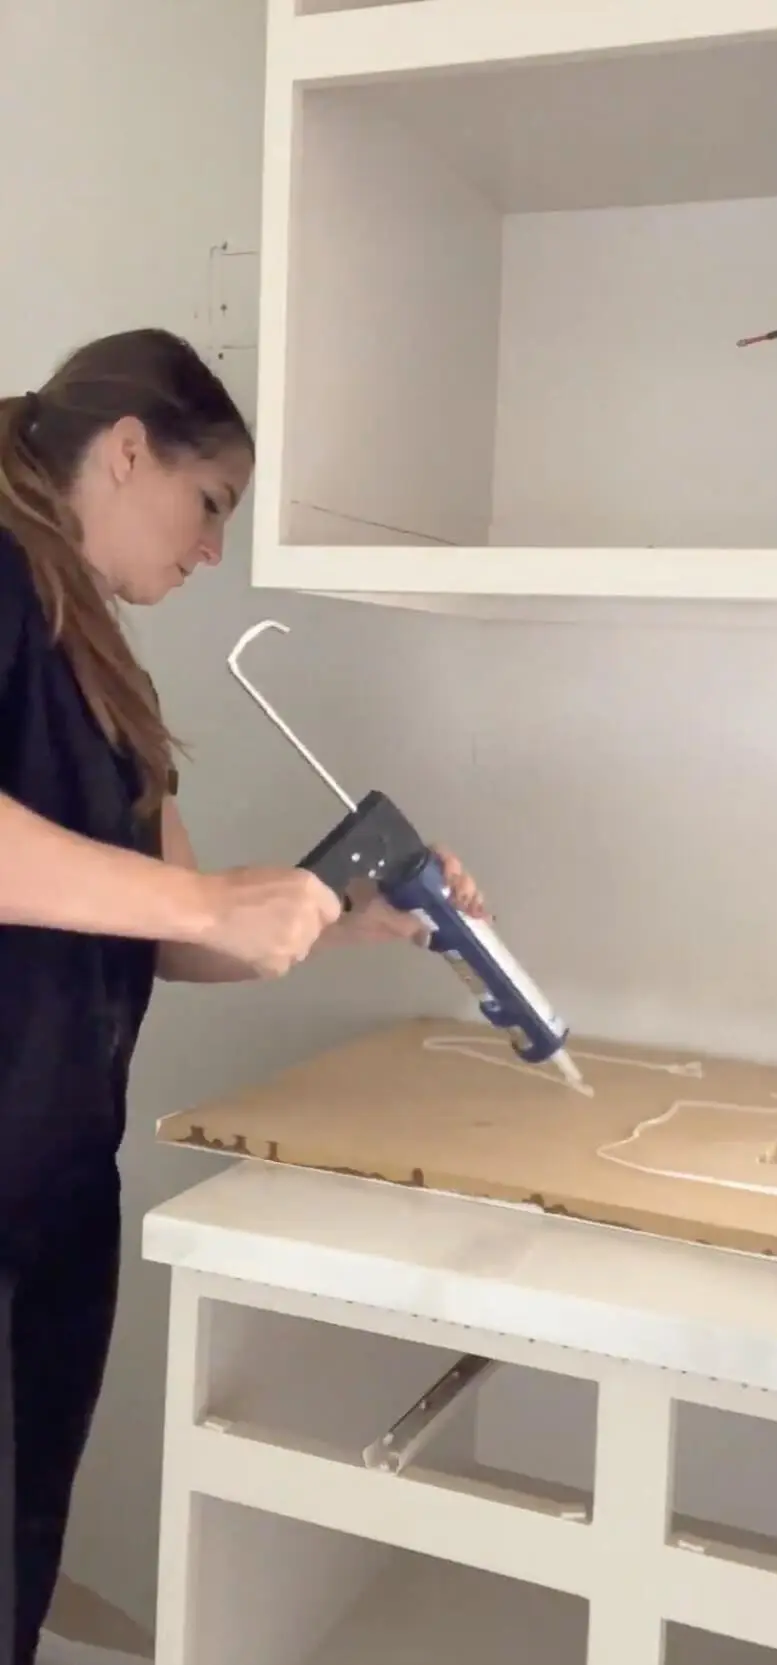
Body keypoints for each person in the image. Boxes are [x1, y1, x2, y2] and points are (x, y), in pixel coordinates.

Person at [0, 327, 484, 1665]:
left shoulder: (105, 669)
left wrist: (344, 918)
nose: (213, 550)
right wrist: (206, 904)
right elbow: (174, 906)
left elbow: (165, 931)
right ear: (126, 448)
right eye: (209, 505)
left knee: (19, 1546)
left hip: (49, 1189)